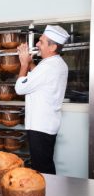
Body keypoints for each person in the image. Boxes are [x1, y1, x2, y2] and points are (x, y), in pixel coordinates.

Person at [15, 25, 70, 175]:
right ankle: (48, 195)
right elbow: (37, 78)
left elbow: (20, 88)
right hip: (46, 124)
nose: (37, 44)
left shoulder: (48, 67)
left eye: (41, 42)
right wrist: (31, 63)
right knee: (44, 164)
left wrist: (24, 64)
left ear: (52, 47)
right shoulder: (56, 64)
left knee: (42, 169)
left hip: (40, 126)